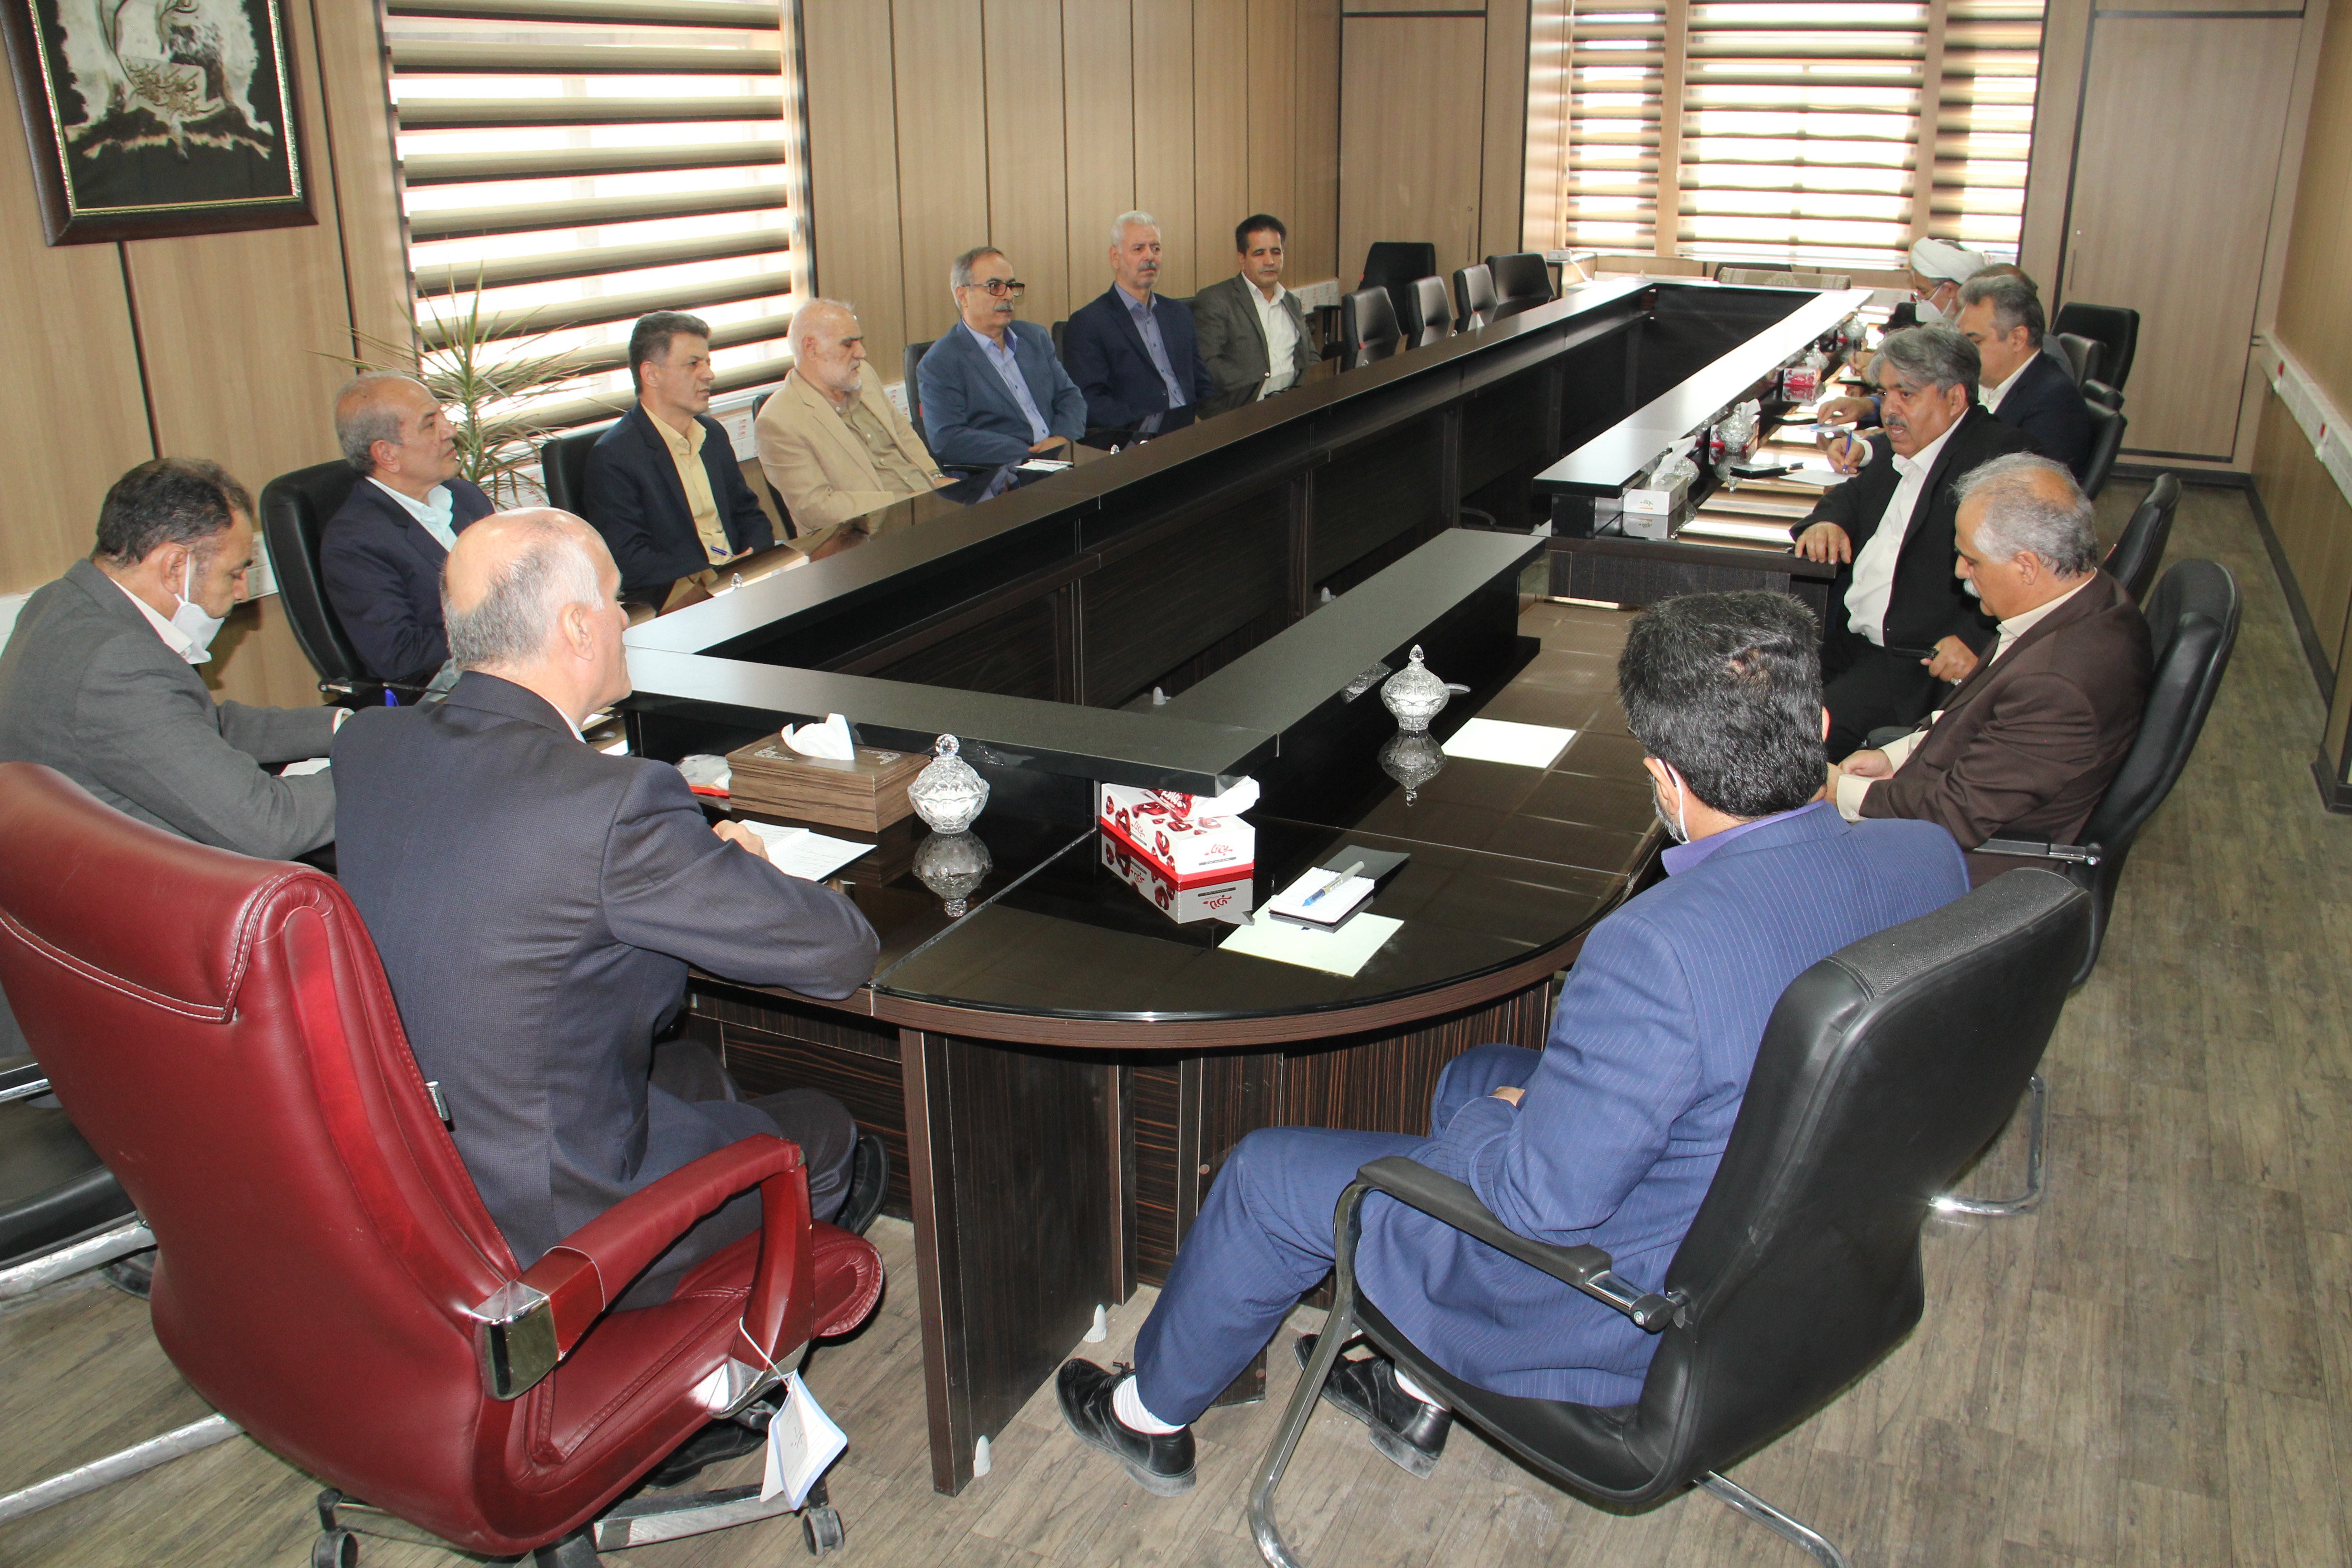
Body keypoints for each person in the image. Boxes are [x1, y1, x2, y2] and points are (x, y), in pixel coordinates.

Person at [1056, 592, 1969, 1496]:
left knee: (1266, 1176)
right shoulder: (1927, 858)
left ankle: (1147, 1415)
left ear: (1664, 777)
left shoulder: (1657, 949)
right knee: (1477, 1074)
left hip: (1627, 1303)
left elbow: (1542, 1203)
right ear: (1817, 725)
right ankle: (1414, 1389)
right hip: (1802, 1243)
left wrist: (1498, 1125)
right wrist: (1504, 1107)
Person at [331, 509, 882, 1309]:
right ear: (577, 626)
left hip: (414, 1172)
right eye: (617, 600)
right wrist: (743, 869)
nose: (627, 619)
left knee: (694, 1074)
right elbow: (839, 954)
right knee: (825, 1130)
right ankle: (715, 1351)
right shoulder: (609, 805)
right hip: (546, 1219)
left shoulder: (371, 747)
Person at [0, 457, 339, 862]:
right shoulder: (118, 664)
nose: (242, 593)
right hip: (133, 880)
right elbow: (272, 825)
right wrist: (387, 765)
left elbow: (193, 723)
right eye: (234, 573)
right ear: (176, 566)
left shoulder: (59, 601)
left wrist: (345, 726)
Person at [1832, 455, 2151, 881]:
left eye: (1972, 560)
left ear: (2026, 566)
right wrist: (1896, 758)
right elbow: (1982, 723)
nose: (1960, 570)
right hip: (1939, 806)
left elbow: (1955, 815)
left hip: (1963, 869)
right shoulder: (2086, 599)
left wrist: (1840, 792)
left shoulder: (2057, 685)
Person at [1794, 326, 2035, 758]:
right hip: (1850, 642)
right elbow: (1851, 497)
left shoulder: (1998, 457)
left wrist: (1977, 639)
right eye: (1885, 394)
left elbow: (2027, 569)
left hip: (1910, 666)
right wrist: (1827, 523)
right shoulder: (1911, 446)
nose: (1890, 410)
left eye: (1906, 395)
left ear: (1955, 399)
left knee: (1790, 740)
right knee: (1752, 704)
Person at [582, 311, 775, 602]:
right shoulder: (614, 457)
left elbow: (749, 514)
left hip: (743, 584)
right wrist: (714, 576)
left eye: (708, 362)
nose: (709, 374)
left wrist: (752, 558)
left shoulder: (712, 435)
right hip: (683, 602)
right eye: (693, 364)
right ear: (651, 374)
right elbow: (631, 561)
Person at [320, 371, 495, 685]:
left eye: (443, 416)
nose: (450, 431)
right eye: (430, 424)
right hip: (448, 694)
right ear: (387, 454)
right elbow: (399, 656)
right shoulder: (354, 542)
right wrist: (505, 628)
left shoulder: (465, 497)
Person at [756, 299, 951, 531]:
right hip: (866, 534)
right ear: (811, 348)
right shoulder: (778, 421)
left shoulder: (863, 375)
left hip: (929, 509)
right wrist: (906, 503)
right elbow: (816, 508)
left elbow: (902, 432)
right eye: (848, 344)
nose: (862, 353)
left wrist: (936, 478)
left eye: (860, 342)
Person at [916, 246, 1088, 469]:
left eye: (1011, 286)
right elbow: (948, 438)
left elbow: (1070, 396)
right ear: (963, 296)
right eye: (995, 287)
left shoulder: (1034, 337)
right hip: (1003, 474)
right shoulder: (940, 363)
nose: (1008, 296)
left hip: (1061, 458)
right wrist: (1032, 454)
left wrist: (1061, 439)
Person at [1061, 211, 1217, 446]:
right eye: (1139, 249)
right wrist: (1150, 428)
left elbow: (1202, 384)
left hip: (1191, 437)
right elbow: (1091, 401)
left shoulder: (1179, 314)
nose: (1150, 256)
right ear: (1115, 257)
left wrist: (1220, 425)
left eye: (1156, 248)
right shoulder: (1088, 323)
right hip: (1137, 443)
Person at [1955, 272, 2095, 480]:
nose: (1961, 353)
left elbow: (2032, 487)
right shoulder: (1984, 381)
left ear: (2018, 338)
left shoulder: (2056, 402)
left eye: (1975, 342)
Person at [1191, 214, 1311, 417]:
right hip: (1241, 415)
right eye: (1259, 253)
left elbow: (1310, 356)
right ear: (1242, 258)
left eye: (1276, 252)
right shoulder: (1216, 300)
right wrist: (1266, 391)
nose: (1270, 261)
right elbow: (1209, 365)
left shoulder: (1292, 302)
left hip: (1294, 409)